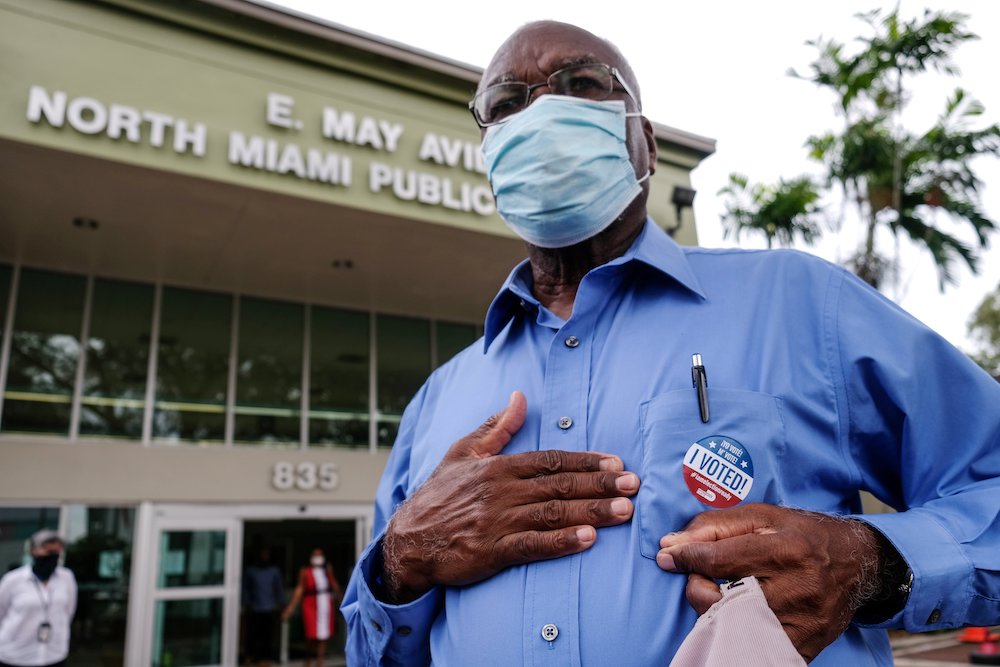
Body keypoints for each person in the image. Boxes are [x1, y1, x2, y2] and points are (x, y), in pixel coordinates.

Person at [341, 19, 1000, 666]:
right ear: (490, 152)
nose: (541, 112)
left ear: (645, 144)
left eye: (581, 83)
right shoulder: (439, 398)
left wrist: (872, 562)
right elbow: (370, 648)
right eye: (507, 103)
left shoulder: (799, 304)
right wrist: (399, 561)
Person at [0, 530, 77, 667]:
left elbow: (68, 611)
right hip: (16, 655)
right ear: (33, 551)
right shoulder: (13, 580)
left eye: (56, 553)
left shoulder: (66, 578)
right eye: (47, 551)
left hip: (53, 654)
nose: (52, 557)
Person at [282, 549, 342, 667]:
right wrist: (291, 607)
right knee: (311, 634)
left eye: (320, 555)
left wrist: (342, 601)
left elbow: (334, 585)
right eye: (316, 555)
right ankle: (308, 659)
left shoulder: (327, 570)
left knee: (324, 634)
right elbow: (299, 589)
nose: (318, 557)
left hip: (326, 603)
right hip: (310, 604)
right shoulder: (305, 571)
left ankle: (320, 662)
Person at [242, 548, 284, 666]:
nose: (264, 557)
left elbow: (278, 589)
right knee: (252, 635)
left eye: (267, 555)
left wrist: (282, 605)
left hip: (269, 609)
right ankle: (250, 656)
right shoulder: (251, 571)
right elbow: (246, 589)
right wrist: (246, 603)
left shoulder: (274, 571)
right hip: (255, 609)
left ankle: (264, 658)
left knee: (267, 636)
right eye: (262, 555)